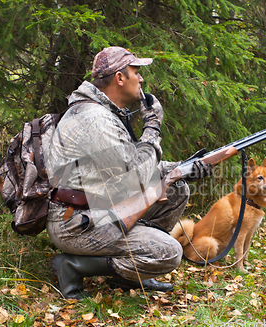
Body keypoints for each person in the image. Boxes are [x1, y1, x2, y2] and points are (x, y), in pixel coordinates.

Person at [44, 46, 212, 299]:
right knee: (169, 252)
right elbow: (136, 176)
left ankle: (133, 273)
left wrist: (183, 169)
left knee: (176, 189)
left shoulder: (105, 113)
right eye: (136, 71)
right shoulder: (95, 120)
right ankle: (72, 265)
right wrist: (152, 126)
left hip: (99, 209)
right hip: (77, 223)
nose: (141, 79)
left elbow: (133, 166)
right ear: (120, 78)